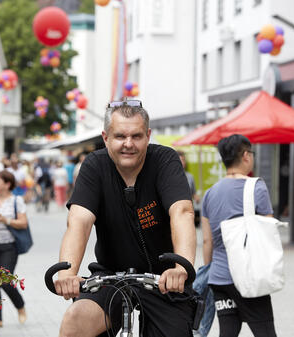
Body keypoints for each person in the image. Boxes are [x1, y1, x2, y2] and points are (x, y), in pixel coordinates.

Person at [54, 100, 197, 337]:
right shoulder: (95, 165)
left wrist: (181, 266)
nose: (128, 144)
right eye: (120, 136)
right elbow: (79, 221)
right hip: (110, 275)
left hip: (164, 278)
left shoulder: (165, 160)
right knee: (75, 321)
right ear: (106, 137)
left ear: (148, 136)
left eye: (137, 136)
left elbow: (182, 211)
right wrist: (67, 274)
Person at [201, 134, 277, 337]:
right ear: (245, 155)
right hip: (247, 276)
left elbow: (207, 241)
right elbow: (268, 231)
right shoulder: (257, 187)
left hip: (219, 279)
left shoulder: (210, 193)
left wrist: (209, 272)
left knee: (228, 332)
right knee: (265, 332)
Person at [0, 170, 28, 329]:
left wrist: (5, 220)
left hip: (9, 246)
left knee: (6, 281)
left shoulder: (17, 200)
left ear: (7, 184)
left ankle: (20, 306)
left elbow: (23, 223)